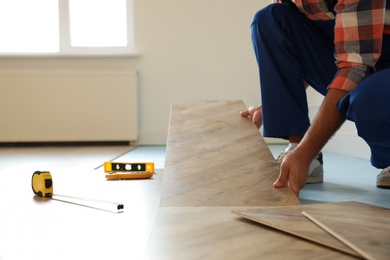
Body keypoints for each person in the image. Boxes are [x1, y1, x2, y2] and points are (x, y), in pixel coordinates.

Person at [240, 0, 390, 196]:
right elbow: (309, 53)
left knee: (370, 103)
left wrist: (307, 150)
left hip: (379, 60)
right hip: (357, 55)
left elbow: (355, 68)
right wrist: (272, 103)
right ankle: (299, 150)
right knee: (270, 19)